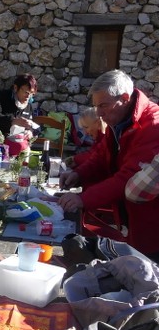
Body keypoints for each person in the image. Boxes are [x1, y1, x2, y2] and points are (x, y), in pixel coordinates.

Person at [58, 69, 159, 257]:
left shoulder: (152, 126)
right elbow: (101, 156)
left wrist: (83, 198)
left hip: (151, 222)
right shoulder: (119, 120)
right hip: (131, 219)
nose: (99, 113)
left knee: (147, 274)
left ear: (125, 98)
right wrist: (78, 174)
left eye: (103, 105)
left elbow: (128, 178)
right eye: (96, 106)